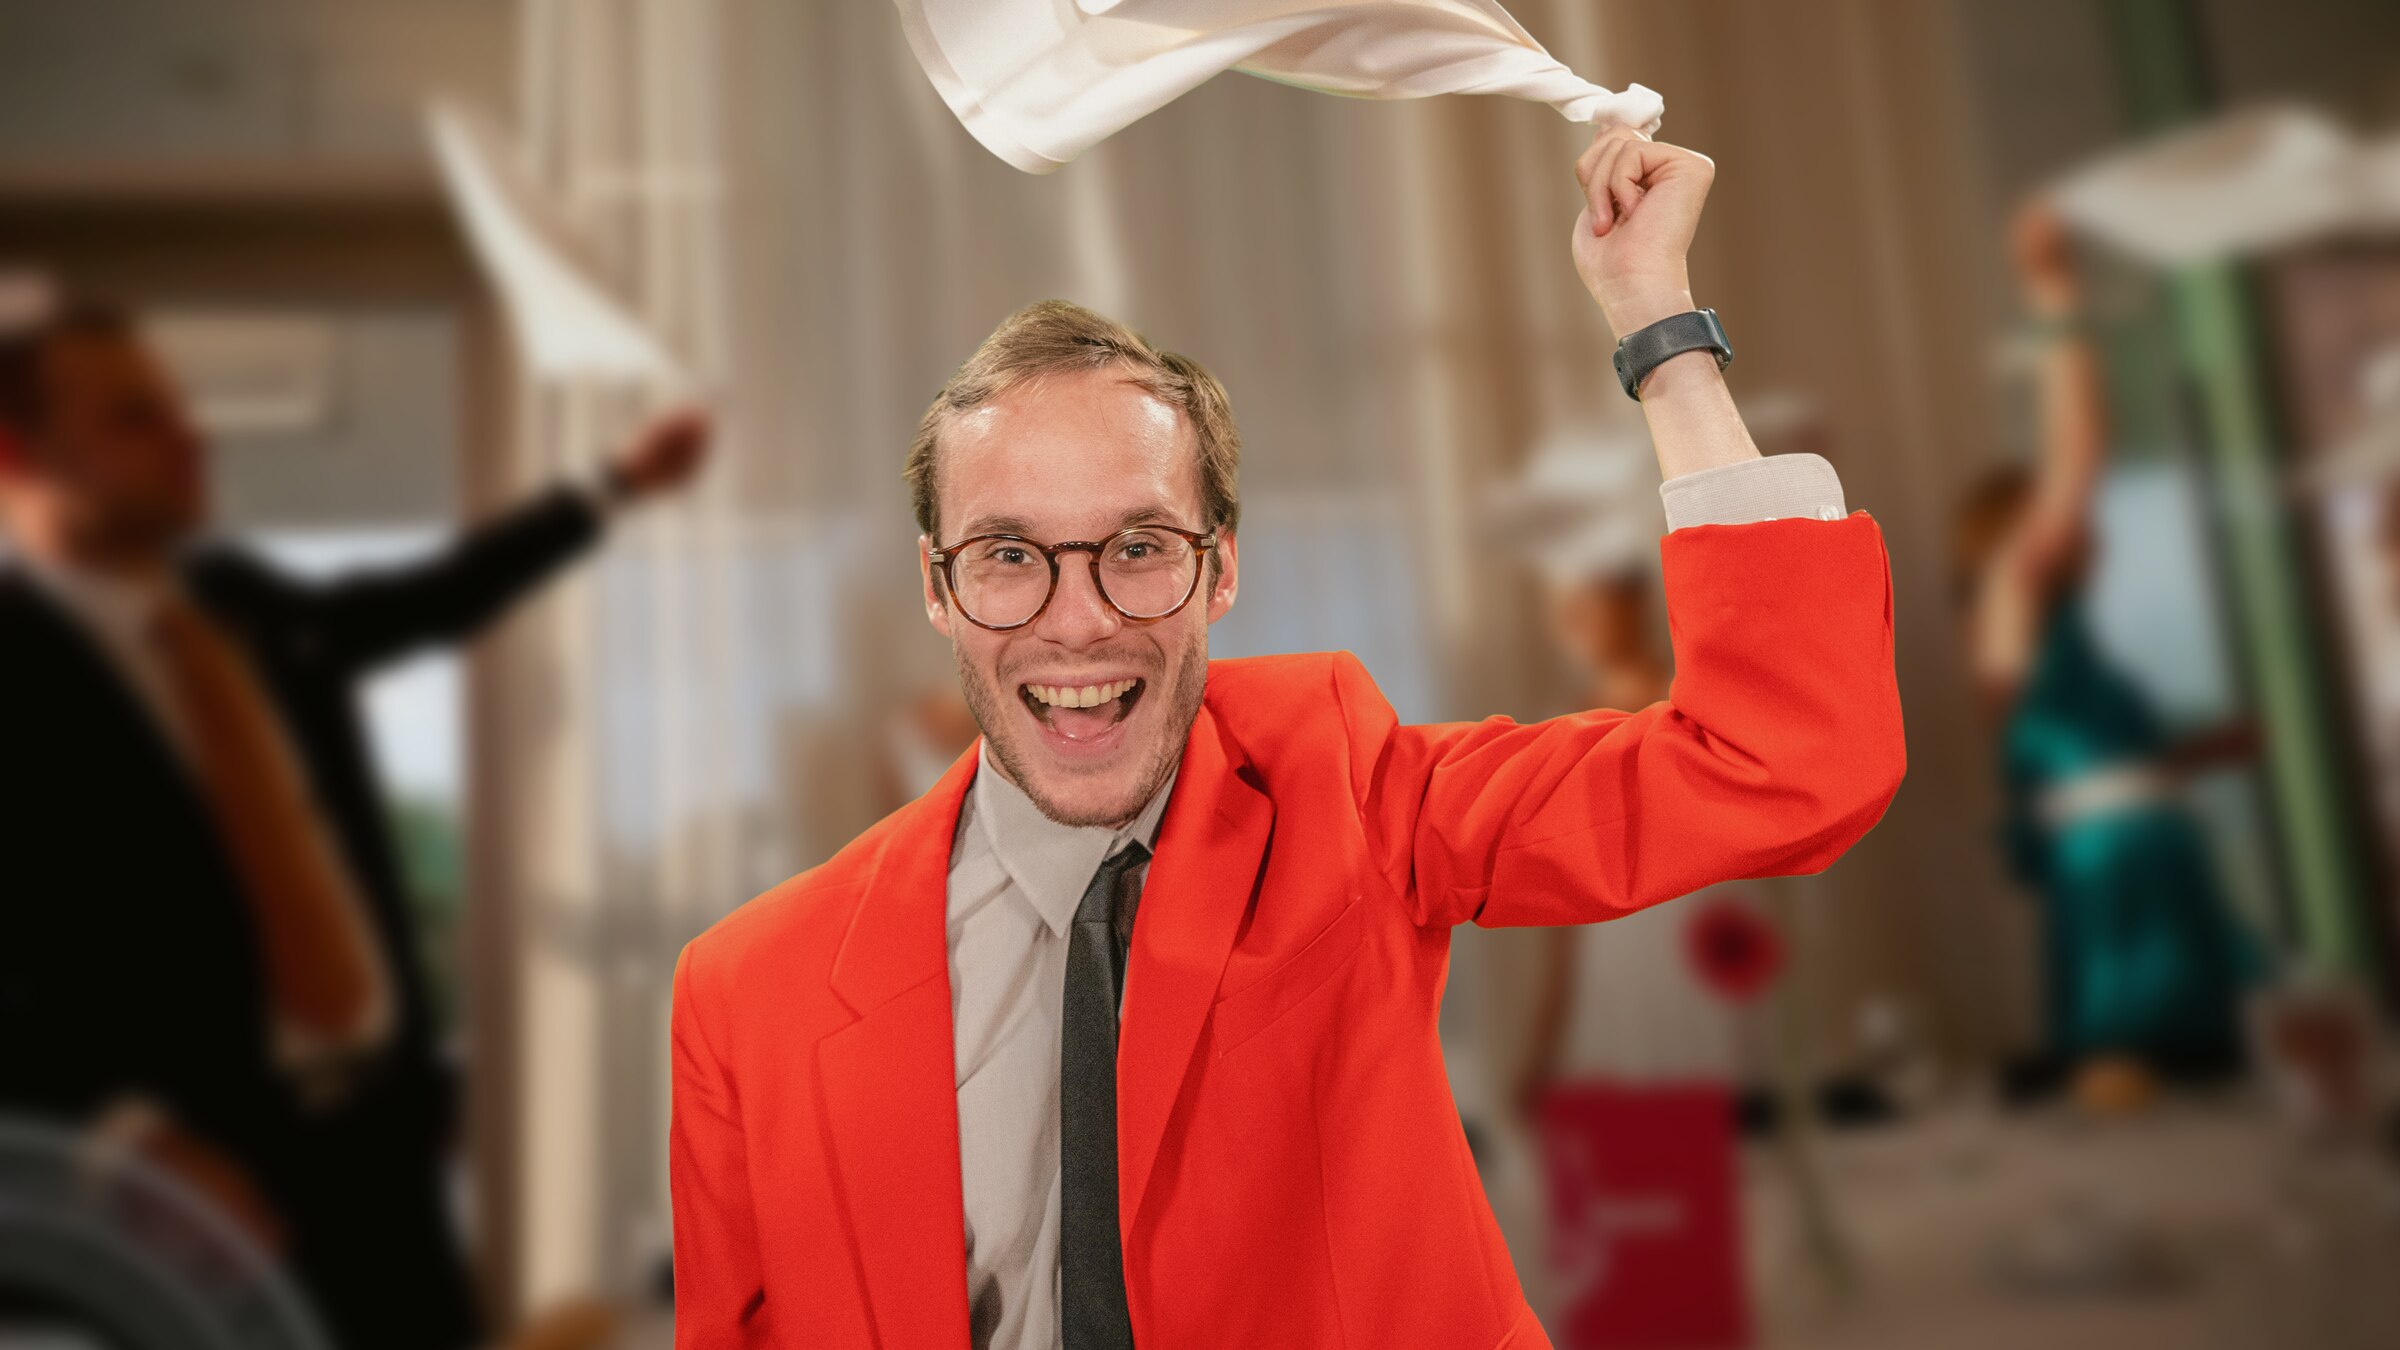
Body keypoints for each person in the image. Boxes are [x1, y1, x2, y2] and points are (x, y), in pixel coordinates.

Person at [669, 124, 1904, 1349]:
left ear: (1222, 570)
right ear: (937, 587)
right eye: (1006, 556)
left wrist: (1659, 330)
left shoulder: (1349, 792)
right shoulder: (747, 999)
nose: (1080, 621)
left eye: (1139, 546)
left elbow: (1782, 762)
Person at [0, 296, 710, 1350]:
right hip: (200, 1187)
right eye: (135, 416)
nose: (190, 436)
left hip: (378, 1147)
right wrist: (121, 1148)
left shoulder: (233, 600)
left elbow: (422, 601)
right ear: (18, 455)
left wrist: (614, 487)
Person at [1951, 201, 2259, 1103]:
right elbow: (2079, 451)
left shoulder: (2029, 623)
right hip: (2125, 869)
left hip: (2131, 854)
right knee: (2162, 1076)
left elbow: (2065, 760)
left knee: (2182, 1086)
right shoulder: (2017, 586)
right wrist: (2053, 295)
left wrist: (2198, 753)